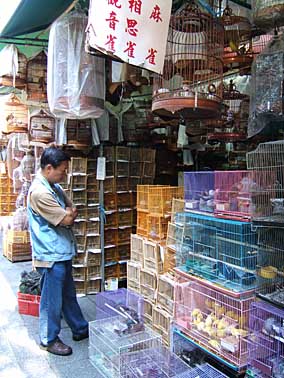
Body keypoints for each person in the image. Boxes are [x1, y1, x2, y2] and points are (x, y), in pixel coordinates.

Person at [27, 146, 88, 356]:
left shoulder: (54, 186)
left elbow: (70, 208)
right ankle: (48, 339)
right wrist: (68, 215)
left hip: (61, 250)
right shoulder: (40, 192)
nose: (65, 174)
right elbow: (68, 217)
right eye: (62, 170)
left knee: (68, 294)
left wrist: (68, 214)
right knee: (51, 300)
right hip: (50, 254)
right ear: (49, 168)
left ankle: (79, 328)